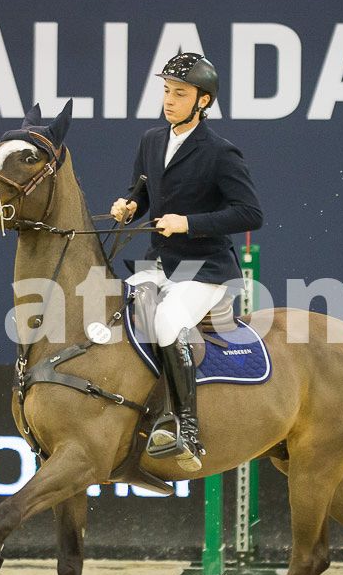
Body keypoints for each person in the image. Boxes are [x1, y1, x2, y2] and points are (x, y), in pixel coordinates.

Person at [109, 52, 263, 469]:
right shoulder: (151, 140)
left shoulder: (220, 152)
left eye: (180, 93)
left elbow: (250, 213)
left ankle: (186, 429)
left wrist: (188, 223)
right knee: (113, 314)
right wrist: (129, 206)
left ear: (203, 101)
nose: (169, 100)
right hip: (158, 264)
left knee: (167, 322)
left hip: (205, 269)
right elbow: (142, 191)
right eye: (166, 91)